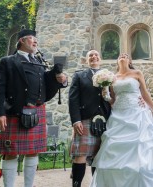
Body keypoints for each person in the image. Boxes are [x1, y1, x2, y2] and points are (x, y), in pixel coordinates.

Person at [89, 53, 153, 187]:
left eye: (126, 55)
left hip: (137, 113)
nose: (122, 56)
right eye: (120, 56)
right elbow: (113, 99)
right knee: (114, 148)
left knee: (141, 146)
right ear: (117, 61)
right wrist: (105, 96)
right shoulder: (112, 77)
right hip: (118, 116)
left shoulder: (137, 73)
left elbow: (145, 94)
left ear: (129, 61)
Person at [0, 26, 67, 187]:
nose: (35, 42)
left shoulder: (38, 61)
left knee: (33, 151)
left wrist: (59, 79)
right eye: (32, 39)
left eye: (36, 40)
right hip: (14, 112)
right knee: (10, 152)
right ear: (21, 41)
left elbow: (46, 83)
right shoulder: (8, 61)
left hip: (36, 110)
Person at [68, 50, 112, 187]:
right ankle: (76, 185)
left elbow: (116, 97)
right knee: (80, 154)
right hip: (86, 118)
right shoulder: (79, 76)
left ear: (100, 59)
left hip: (105, 120)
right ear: (87, 60)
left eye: (96, 55)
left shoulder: (110, 76)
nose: (93, 57)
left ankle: (96, 184)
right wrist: (76, 120)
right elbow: (73, 99)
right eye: (90, 56)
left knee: (99, 156)